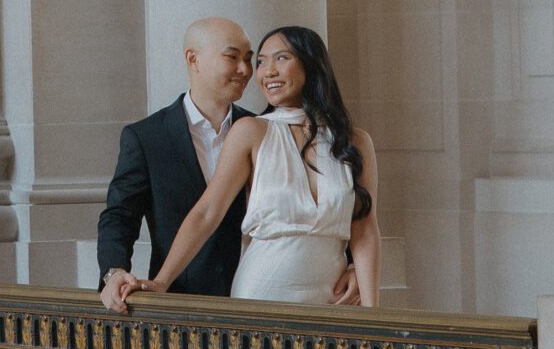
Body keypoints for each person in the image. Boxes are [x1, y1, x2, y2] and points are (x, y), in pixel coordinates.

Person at [129, 25, 380, 310]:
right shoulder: (250, 131)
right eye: (260, 61)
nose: (267, 71)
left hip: (334, 298)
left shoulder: (356, 141)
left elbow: (365, 230)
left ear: (311, 63)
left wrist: (373, 317)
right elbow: (207, 212)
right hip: (262, 291)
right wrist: (162, 281)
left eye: (281, 58)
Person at [97, 19, 256, 312]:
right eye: (232, 57)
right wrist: (113, 271)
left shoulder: (262, 130)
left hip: (257, 298)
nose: (245, 70)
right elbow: (120, 217)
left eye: (249, 59)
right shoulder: (146, 137)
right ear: (192, 58)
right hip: (178, 302)